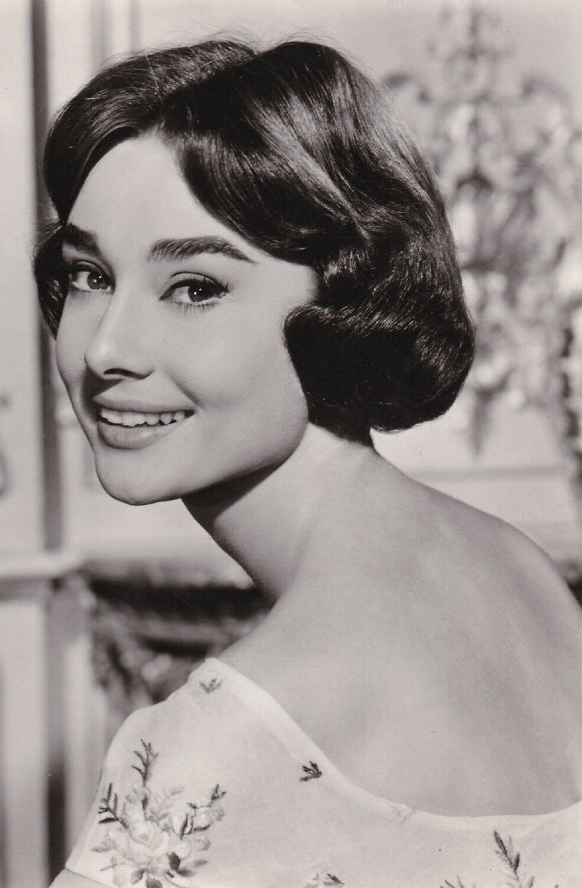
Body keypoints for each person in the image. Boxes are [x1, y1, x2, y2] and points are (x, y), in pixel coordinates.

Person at [35, 39, 580, 888]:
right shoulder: (519, 570)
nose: (105, 348)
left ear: (348, 302)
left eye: (196, 288)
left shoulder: (211, 749)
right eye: (90, 274)